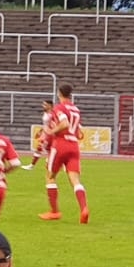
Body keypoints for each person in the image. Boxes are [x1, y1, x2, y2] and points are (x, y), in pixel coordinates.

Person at [39, 84, 90, 224]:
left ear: (59, 93)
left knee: (50, 176)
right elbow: (78, 130)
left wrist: (51, 131)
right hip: (74, 145)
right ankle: (84, 208)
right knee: (75, 180)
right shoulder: (76, 109)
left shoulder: (59, 108)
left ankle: (54, 211)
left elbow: (65, 123)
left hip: (61, 144)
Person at [27, 99, 54, 169]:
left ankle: (50, 164)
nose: (43, 106)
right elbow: (45, 124)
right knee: (40, 148)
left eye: (45, 105)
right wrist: (41, 131)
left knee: (48, 150)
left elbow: (53, 125)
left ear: (50, 106)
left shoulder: (53, 114)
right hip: (45, 133)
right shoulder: (45, 113)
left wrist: (49, 132)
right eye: (43, 104)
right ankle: (32, 165)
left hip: (50, 134)